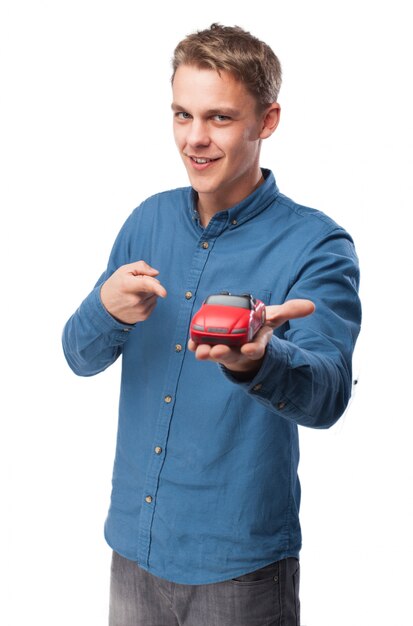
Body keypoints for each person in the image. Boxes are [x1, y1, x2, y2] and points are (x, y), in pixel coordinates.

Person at [62, 23, 361, 626]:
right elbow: (78, 354)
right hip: (134, 549)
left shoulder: (317, 245)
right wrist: (106, 311)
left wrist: (258, 360)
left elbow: (328, 393)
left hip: (241, 571)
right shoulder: (146, 221)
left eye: (219, 118)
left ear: (267, 121)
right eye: (181, 115)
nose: (194, 139)